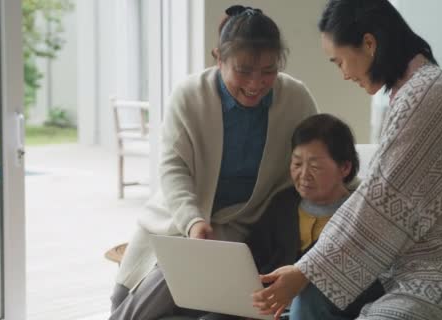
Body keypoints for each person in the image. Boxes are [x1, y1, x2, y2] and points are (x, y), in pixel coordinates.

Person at [252, 0, 442, 319]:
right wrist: (307, 272)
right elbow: (380, 199)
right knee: (314, 291)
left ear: (369, 44)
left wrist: (304, 270)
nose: (343, 75)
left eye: (340, 62)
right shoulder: (417, 88)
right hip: (423, 266)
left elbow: (379, 207)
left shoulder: (425, 98)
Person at [109, 5, 318, 320]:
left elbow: (320, 151)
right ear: (218, 58)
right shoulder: (189, 95)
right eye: (243, 70)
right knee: (122, 296)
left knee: (161, 294)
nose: (256, 83)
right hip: (176, 219)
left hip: (239, 228)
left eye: (268, 70)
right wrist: (192, 220)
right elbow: (173, 167)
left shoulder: (296, 98)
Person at [247, 114, 384, 320]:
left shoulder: (360, 213)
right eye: (296, 164)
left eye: (315, 166)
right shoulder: (282, 204)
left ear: (344, 168)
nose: (303, 175)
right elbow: (252, 259)